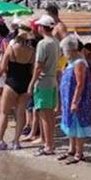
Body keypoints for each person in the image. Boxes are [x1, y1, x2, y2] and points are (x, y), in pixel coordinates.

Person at [0, 27, 36, 151]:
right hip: (25, 84)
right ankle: (16, 142)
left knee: (4, 113)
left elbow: (1, 68)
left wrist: (1, 71)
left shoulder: (11, 49)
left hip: (11, 83)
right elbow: (32, 71)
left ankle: (0, 140)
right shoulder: (32, 52)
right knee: (20, 113)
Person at [58, 34, 91, 163]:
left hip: (78, 99)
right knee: (70, 123)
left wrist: (75, 101)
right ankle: (71, 149)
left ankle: (79, 152)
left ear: (71, 50)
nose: (63, 53)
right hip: (69, 98)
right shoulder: (72, 61)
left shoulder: (79, 62)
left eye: (64, 51)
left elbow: (80, 83)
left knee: (78, 125)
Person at [29, 15, 60, 156]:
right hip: (52, 79)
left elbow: (38, 66)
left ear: (41, 27)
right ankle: (50, 143)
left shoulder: (43, 43)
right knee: (50, 116)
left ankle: (48, 145)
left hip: (44, 81)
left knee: (44, 114)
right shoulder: (55, 42)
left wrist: (31, 83)